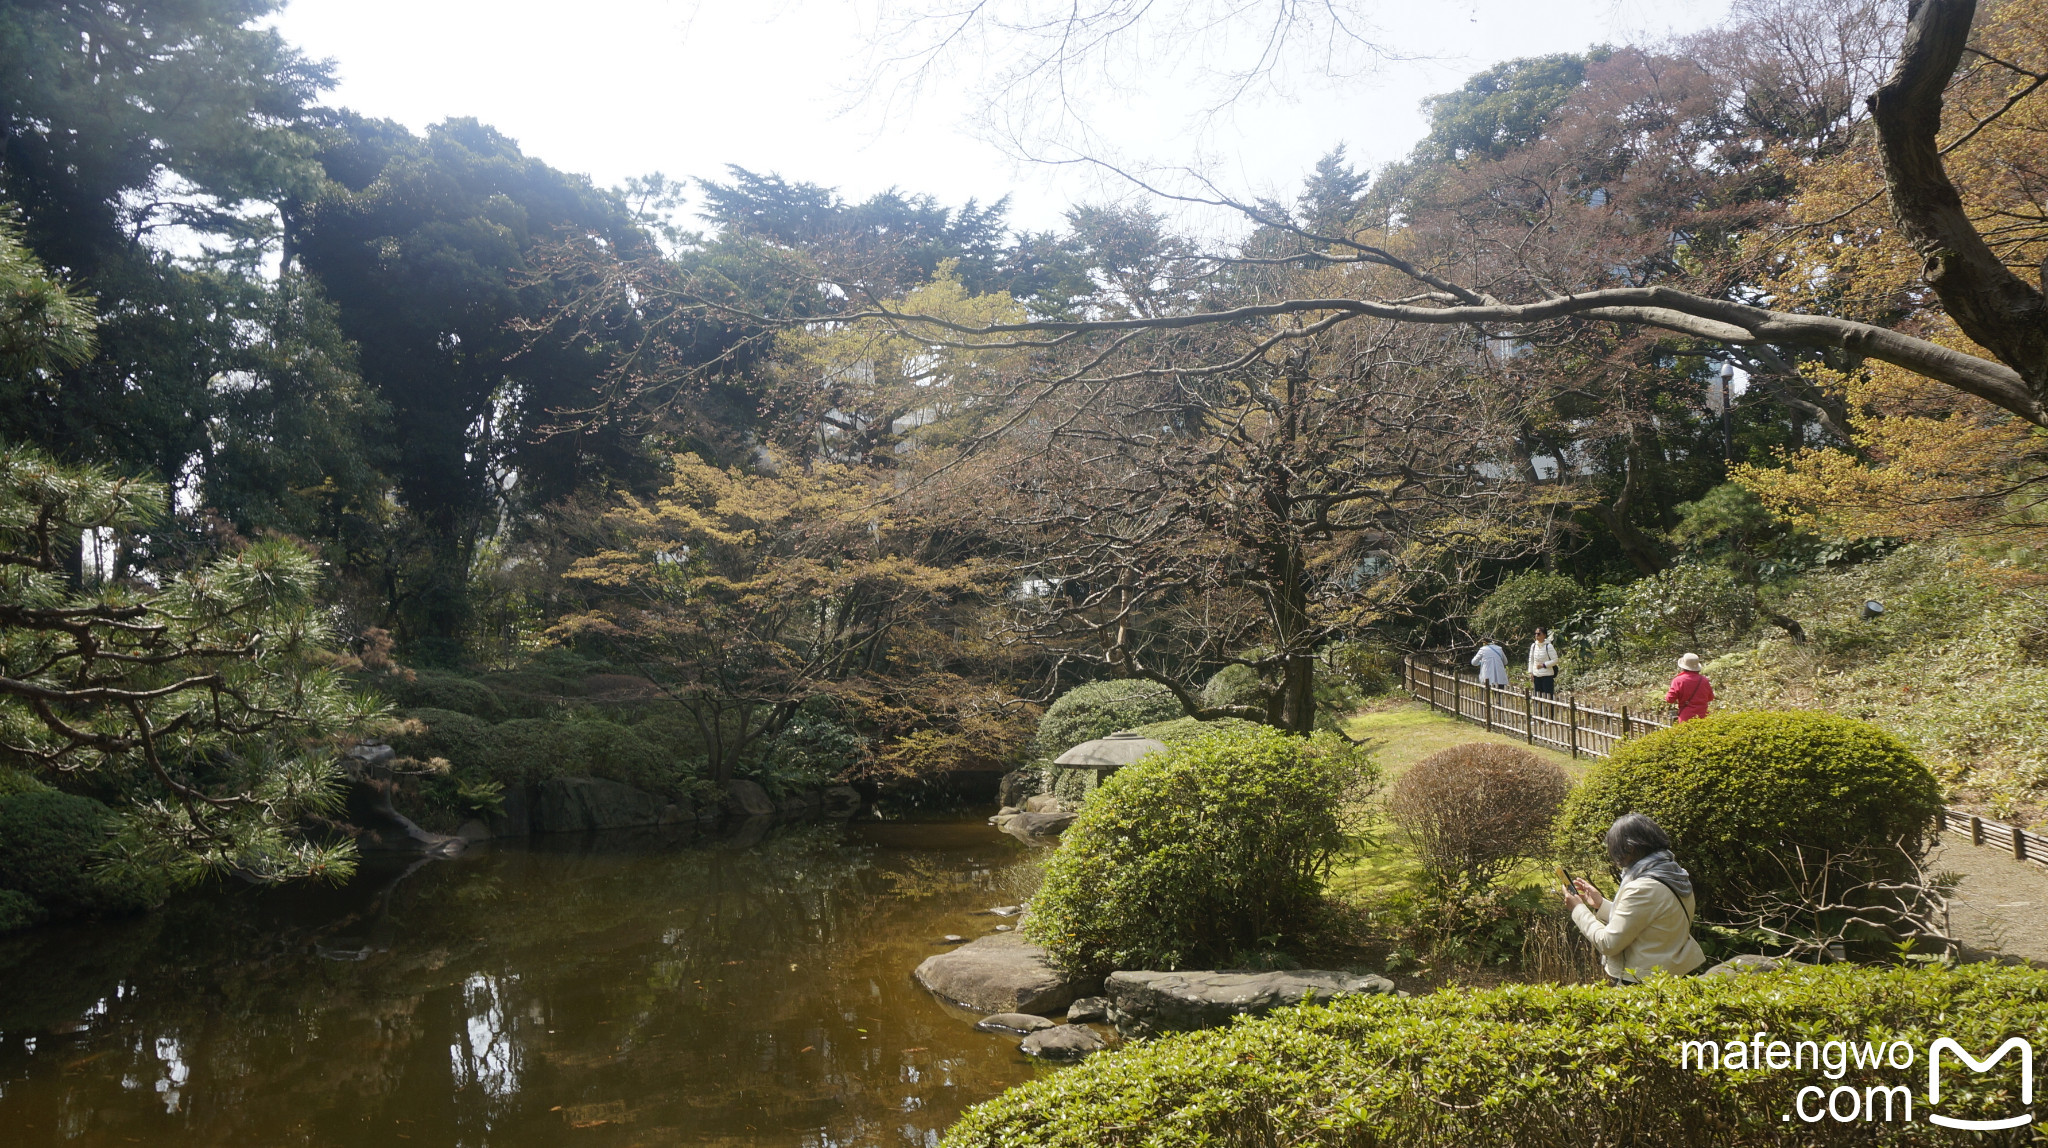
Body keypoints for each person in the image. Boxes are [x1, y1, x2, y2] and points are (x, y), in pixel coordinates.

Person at [1564, 812, 1707, 984]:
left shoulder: (1642, 887)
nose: (1615, 858)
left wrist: (1578, 909)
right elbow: (1646, 920)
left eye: (1615, 849)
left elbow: (1608, 943)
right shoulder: (1672, 873)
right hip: (1671, 975)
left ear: (1630, 848)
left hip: (1643, 982)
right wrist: (1600, 904)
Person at [1665, 653, 1714, 722]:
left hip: (1686, 717)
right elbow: (1710, 697)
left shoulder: (1678, 680)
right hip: (1703, 717)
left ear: (1683, 667)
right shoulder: (1704, 680)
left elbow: (1669, 699)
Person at [1528, 627, 1559, 696]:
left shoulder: (1549, 646)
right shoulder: (1533, 646)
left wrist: (1543, 665)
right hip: (1536, 675)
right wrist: (1531, 672)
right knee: (1538, 698)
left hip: (1547, 676)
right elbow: (1531, 660)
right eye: (1535, 634)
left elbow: (1555, 660)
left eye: (1539, 634)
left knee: (1549, 698)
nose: (1536, 635)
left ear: (1544, 635)